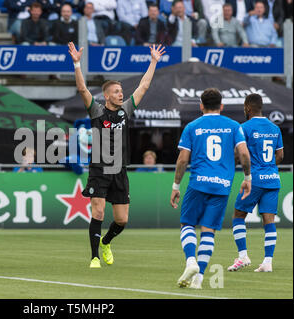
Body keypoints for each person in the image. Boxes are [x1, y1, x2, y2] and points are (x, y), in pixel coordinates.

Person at [68, 41, 166, 268]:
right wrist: (76, 64)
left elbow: (143, 87)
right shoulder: (96, 111)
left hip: (120, 170)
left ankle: (106, 241)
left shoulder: (125, 111)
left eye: (121, 91)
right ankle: (94, 257)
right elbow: (82, 89)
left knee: (122, 220)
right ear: (106, 96)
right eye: (116, 92)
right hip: (99, 170)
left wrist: (153, 62)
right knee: (99, 210)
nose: (121, 94)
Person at [170, 88, 251, 289]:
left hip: (198, 183)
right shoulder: (234, 126)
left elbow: (182, 160)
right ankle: (198, 280)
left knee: (187, 224)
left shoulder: (192, 126)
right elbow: (244, 154)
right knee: (209, 231)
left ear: (201, 106)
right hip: (222, 186)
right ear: (221, 106)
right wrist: (247, 177)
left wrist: (176, 185)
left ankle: (191, 261)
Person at [227, 93, 284, 273]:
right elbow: (280, 155)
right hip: (273, 179)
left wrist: (251, 173)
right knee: (269, 221)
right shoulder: (275, 128)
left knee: (238, 216)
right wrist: (268, 168)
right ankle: (268, 262)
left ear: (248, 108)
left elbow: (240, 154)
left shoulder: (243, 128)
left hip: (255, 179)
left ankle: (243, 256)